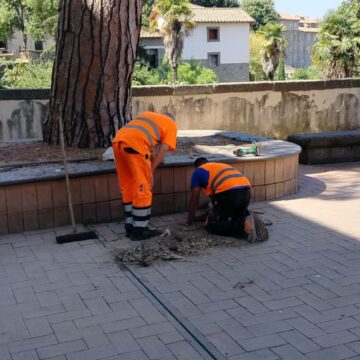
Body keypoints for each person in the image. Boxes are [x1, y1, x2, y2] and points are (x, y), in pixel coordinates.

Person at [112, 111, 177, 241]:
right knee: (143, 187)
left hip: (118, 143)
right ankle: (140, 230)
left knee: (128, 186)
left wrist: (153, 159)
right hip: (135, 146)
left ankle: (129, 226)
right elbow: (164, 149)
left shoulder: (148, 116)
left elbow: (147, 145)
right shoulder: (171, 124)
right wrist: (150, 171)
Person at [186, 157, 257, 242]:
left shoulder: (198, 172)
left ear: (196, 167)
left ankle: (243, 224)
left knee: (213, 227)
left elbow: (194, 200)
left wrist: (189, 221)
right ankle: (249, 219)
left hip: (229, 194)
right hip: (246, 193)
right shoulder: (219, 166)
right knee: (235, 216)